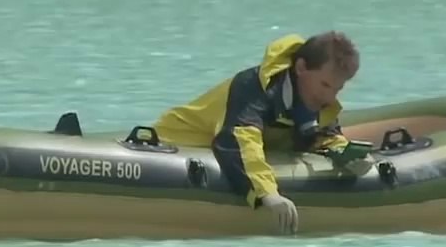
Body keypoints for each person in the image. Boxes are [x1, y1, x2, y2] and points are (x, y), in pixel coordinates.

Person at [152, 31, 361, 235]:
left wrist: (346, 154)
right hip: (171, 145)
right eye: (324, 84)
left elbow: (326, 136)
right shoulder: (253, 89)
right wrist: (267, 193)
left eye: (337, 89)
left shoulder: (317, 105)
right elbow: (239, 143)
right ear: (300, 67)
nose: (328, 96)